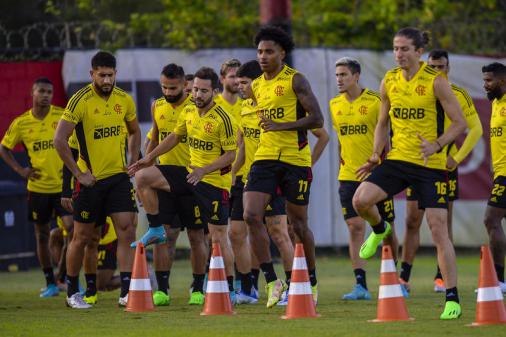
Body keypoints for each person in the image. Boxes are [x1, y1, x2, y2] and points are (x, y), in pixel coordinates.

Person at [352, 27, 466, 319]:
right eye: (395, 49)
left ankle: (451, 298)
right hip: (399, 160)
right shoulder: (389, 80)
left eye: (405, 49)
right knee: (360, 200)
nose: (399, 54)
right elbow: (382, 123)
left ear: (418, 52)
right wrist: (377, 154)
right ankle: (380, 230)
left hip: (431, 165)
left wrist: (438, 145)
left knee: (438, 229)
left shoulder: (436, 82)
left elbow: (460, 123)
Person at [129, 67, 238, 301]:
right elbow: (175, 137)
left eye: (203, 91)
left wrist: (204, 170)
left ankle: (228, 290)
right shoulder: (188, 109)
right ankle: (156, 228)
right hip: (188, 175)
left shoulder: (224, 118)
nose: (197, 94)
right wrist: (148, 158)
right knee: (142, 177)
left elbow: (231, 155)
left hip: (212, 182)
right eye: (196, 89)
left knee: (218, 237)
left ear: (215, 92)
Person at [243, 26, 324, 307]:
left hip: (295, 159)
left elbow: (317, 120)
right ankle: (272, 281)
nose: (263, 57)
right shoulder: (255, 86)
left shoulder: (296, 81)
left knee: (298, 225)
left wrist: (283, 125)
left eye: (269, 51)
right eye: (260, 52)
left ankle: (310, 282)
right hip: (265, 157)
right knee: (251, 216)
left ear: (282, 53)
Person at [54, 51, 141, 309]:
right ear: (92, 74)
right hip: (90, 181)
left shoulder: (124, 100)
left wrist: (133, 162)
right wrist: (79, 174)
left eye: (110, 75)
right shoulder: (79, 101)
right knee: (82, 238)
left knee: (127, 230)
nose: (106, 80)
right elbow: (60, 141)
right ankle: (73, 292)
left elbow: (134, 131)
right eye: (101, 75)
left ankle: (126, 291)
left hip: (118, 179)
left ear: (116, 74)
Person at [399, 50, 483, 294]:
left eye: (441, 66)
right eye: (433, 66)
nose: (437, 70)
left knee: (442, 223)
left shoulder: (456, 93)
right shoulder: (415, 89)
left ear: (449, 68)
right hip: (417, 164)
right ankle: (404, 278)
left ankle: (441, 277)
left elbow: (475, 129)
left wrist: (455, 158)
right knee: (411, 220)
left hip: (442, 168)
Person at [329, 57, 399, 301]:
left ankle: (394, 278)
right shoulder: (334, 104)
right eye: (337, 75)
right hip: (348, 176)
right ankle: (361, 285)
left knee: (387, 229)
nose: (339, 79)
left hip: (377, 176)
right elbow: (340, 141)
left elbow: (388, 136)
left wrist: (383, 163)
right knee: (355, 227)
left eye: (344, 75)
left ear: (356, 76)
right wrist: (343, 164)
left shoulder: (374, 101)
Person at [141, 63, 207, 306]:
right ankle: (162, 290)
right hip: (165, 180)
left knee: (196, 237)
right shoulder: (157, 105)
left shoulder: (195, 108)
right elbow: (155, 137)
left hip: (192, 179)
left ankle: (198, 288)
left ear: (184, 85)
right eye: (164, 87)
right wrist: (147, 169)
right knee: (164, 236)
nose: (168, 92)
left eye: (173, 87)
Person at [0, 77, 73, 298]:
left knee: (73, 230)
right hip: (38, 188)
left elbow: (77, 140)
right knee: (41, 235)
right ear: (33, 93)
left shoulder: (61, 115)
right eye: (41, 91)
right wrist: (21, 171)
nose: (46, 95)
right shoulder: (22, 123)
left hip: (62, 187)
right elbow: (4, 148)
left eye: (49, 92)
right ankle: (51, 282)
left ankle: (64, 275)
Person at [482, 62, 506, 292]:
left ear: (502, 81)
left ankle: (498, 280)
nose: (485, 85)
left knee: (491, 219)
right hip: (501, 173)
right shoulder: (496, 104)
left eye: (489, 80)